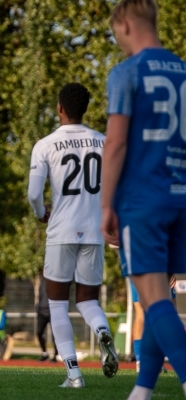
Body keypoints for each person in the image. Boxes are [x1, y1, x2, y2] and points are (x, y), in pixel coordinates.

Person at [102, 1, 186, 398]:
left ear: (125, 25)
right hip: (181, 197)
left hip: (144, 200)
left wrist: (105, 205)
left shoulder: (126, 72)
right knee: (162, 300)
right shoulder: (184, 72)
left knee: (152, 300)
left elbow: (116, 144)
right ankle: (142, 391)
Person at [28, 82, 118, 388]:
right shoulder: (104, 142)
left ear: (60, 108)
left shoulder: (45, 144)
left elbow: (33, 193)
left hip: (61, 230)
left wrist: (41, 213)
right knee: (88, 300)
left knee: (56, 305)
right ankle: (102, 330)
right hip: (94, 231)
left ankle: (74, 374)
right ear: (85, 109)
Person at [36, 277, 58, 362]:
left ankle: (55, 355)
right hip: (42, 311)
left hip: (53, 312)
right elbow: (40, 296)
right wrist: (38, 308)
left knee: (55, 335)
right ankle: (44, 353)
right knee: (39, 332)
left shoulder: (55, 281)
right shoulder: (42, 281)